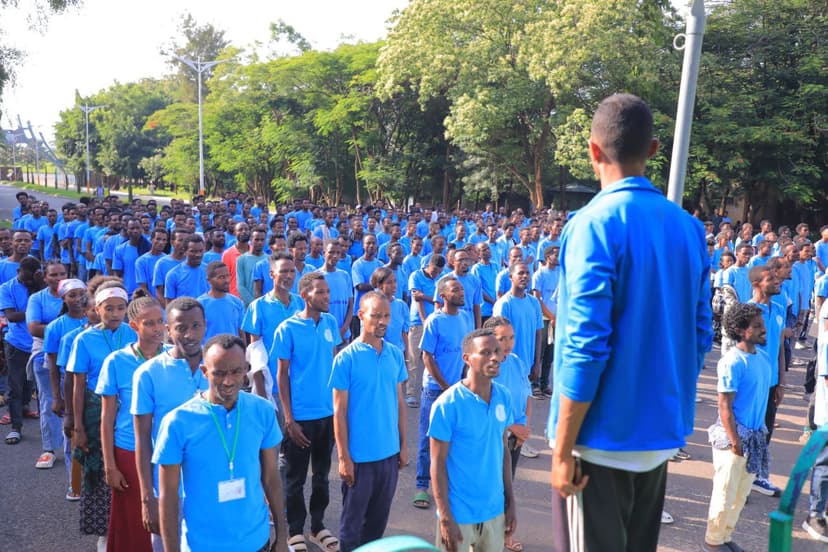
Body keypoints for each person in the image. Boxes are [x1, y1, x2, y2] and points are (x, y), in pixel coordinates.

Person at [548, 94, 712, 551]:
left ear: (593, 151)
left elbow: (586, 345)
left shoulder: (592, 223)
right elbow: (701, 334)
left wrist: (561, 451)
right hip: (657, 435)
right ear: (655, 150)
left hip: (599, 443)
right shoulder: (688, 227)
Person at [153, 334, 289, 552]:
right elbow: (168, 498)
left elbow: (272, 478)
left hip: (256, 542)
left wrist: (282, 537)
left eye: (236, 371)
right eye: (219, 373)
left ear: (246, 369)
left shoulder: (262, 411)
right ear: (205, 372)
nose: (228, 381)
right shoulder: (177, 422)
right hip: (202, 545)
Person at [331, 292, 407, 552]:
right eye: (376, 315)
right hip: (359, 459)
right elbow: (339, 413)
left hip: (388, 455)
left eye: (386, 315)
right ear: (361, 315)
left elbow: (399, 404)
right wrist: (343, 458)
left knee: (376, 526)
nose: (382, 321)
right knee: (351, 528)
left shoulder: (395, 355)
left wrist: (403, 445)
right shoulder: (346, 358)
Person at [131, 297, 209, 551]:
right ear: (168, 329)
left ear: (205, 326)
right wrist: (147, 498)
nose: (189, 334)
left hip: (212, 483)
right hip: (167, 489)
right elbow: (142, 438)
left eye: (196, 326)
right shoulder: (148, 373)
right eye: (180, 327)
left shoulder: (219, 367)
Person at [429, 328, 516, 552]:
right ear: (467, 358)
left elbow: (503, 449)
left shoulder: (503, 396)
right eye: (486, 352)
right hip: (459, 514)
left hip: (494, 511)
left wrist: (510, 501)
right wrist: (446, 518)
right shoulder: (447, 405)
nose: (495, 357)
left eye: (497, 351)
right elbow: (437, 465)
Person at [274, 272, 342, 552]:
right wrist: (289, 419)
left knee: (322, 476)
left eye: (328, 292)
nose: (327, 297)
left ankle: (317, 526)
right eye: (321, 292)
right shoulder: (287, 329)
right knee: (295, 478)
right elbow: (281, 375)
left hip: (328, 415)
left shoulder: (330, 322)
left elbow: (335, 364)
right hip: (300, 417)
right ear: (305, 295)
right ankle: (294, 531)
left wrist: (339, 411)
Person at [68, 281, 138, 549]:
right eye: (109, 308)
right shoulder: (85, 339)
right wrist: (78, 426)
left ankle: (130, 526)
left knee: (127, 465)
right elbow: (78, 385)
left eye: (121, 308)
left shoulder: (132, 334)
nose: (116, 313)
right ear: (97, 309)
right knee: (99, 470)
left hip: (129, 410)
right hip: (96, 411)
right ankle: (104, 535)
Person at [97, 295, 165, 552]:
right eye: (149, 323)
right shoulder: (116, 361)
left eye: (161, 322)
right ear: (134, 326)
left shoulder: (173, 357)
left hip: (166, 450)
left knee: (167, 518)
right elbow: (107, 418)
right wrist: (110, 465)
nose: (158, 328)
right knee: (135, 523)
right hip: (128, 450)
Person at [703, 303, 770, 552]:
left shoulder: (761, 357)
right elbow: (725, 406)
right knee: (724, 494)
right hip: (732, 441)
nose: (764, 330)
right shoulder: (732, 361)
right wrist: (735, 441)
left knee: (740, 495)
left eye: (762, 325)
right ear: (741, 330)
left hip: (753, 438)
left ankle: (725, 536)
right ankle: (713, 542)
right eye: (757, 326)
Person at [413, 276, 474, 509]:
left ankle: (450, 486)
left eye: (461, 288)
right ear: (443, 296)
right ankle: (421, 486)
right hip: (434, 390)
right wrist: (446, 386)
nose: (461, 292)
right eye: (455, 289)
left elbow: (468, 353)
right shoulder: (434, 321)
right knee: (428, 439)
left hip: (459, 388)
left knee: (456, 438)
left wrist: (465, 380)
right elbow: (427, 357)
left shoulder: (466, 318)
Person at [483, 316, 531, 552]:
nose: (508, 343)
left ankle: (504, 534)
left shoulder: (517, 362)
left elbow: (527, 394)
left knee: (507, 486)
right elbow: (489, 404)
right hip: (497, 437)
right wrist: (513, 427)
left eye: (511, 337)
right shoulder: (489, 368)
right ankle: (484, 535)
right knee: (493, 487)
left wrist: (525, 427)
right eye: (502, 338)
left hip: (516, 438)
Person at [746, 264, 786, 497]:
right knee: (747, 430)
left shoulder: (779, 308)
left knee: (766, 430)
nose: (776, 280)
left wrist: (781, 381)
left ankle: (758, 477)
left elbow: (780, 347)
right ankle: (741, 479)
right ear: (756, 284)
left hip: (771, 383)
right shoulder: (748, 310)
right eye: (770, 278)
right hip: (752, 383)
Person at [26, 260, 67, 467]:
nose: (58, 279)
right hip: (44, 354)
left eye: (62, 274)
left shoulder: (74, 296)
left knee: (74, 400)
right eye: (53, 275)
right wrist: (65, 330)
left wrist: (53, 329)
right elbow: (33, 328)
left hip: (71, 355)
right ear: (45, 277)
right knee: (49, 400)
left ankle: (73, 445)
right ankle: (49, 448)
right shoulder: (37, 299)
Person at [0, 256, 42, 445]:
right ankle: (16, 428)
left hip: (38, 343)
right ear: (18, 272)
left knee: (33, 386)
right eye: (24, 278)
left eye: (30, 279)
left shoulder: (40, 286)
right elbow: (12, 316)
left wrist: (39, 286)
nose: (27, 282)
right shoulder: (6, 288)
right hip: (16, 343)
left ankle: (29, 410)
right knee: (15, 386)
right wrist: (35, 311)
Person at [407, 254, 446, 408]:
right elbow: (418, 299)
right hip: (418, 322)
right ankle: (411, 392)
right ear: (429, 264)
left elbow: (441, 300)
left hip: (436, 321)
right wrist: (425, 321)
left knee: (433, 358)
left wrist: (425, 296)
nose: (435, 274)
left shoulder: (441, 278)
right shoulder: (415, 276)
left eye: (438, 272)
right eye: (434, 270)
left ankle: (429, 388)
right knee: (413, 358)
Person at [197, 261, 245, 342]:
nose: (227, 280)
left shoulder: (237, 302)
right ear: (209, 280)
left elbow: (241, 332)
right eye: (221, 277)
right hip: (210, 352)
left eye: (228, 276)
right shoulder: (199, 305)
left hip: (233, 351)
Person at [164, 234, 208, 301]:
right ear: (185, 251)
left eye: (201, 251)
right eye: (193, 251)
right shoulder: (173, 275)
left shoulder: (209, 271)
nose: (198, 255)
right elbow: (169, 304)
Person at [237, 227, 267, 307]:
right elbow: (240, 286)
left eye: (262, 240)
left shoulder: (269, 259)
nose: (260, 242)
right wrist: (254, 303)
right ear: (251, 240)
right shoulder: (242, 259)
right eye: (256, 240)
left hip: (266, 304)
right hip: (249, 306)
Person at [135, 229, 168, 299]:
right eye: (158, 239)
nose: (161, 242)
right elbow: (143, 287)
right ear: (151, 240)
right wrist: (155, 303)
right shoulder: (141, 261)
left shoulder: (168, 260)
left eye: (164, 240)